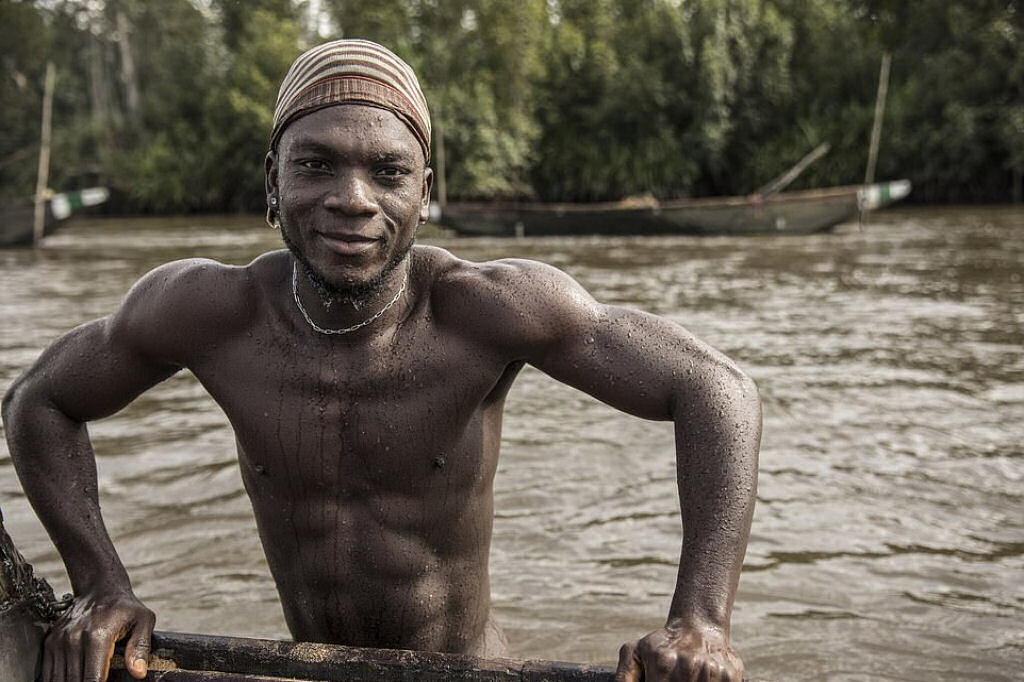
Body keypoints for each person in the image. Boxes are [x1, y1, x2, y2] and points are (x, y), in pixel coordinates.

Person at [2, 39, 760, 682]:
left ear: (424, 194)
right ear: (273, 184)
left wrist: (700, 621)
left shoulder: (488, 309)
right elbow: (39, 400)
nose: (353, 199)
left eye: (389, 173)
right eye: (317, 166)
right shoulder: (207, 312)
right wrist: (98, 586)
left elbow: (714, 388)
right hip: (312, 669)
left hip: (464, 673)